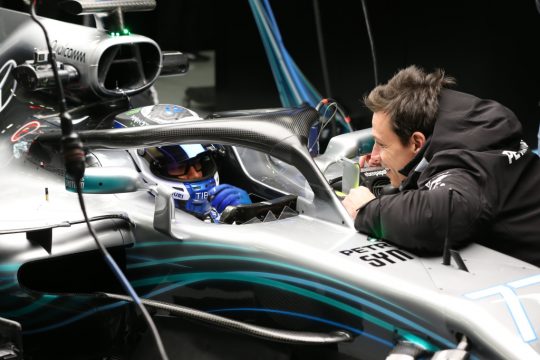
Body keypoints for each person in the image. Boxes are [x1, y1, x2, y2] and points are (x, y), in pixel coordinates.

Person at [342, 65, 540, 267]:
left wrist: (367, 211)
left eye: (382, 145)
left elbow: (435, 217)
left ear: (417, 142)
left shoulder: (464, 165)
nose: (374, 156)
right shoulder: (462, 125)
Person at [113, 104, 251, 220]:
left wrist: (248, 217)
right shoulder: (129, 218)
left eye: (198, 163)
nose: (195, 175)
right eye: (179, 166)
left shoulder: (219, 208)